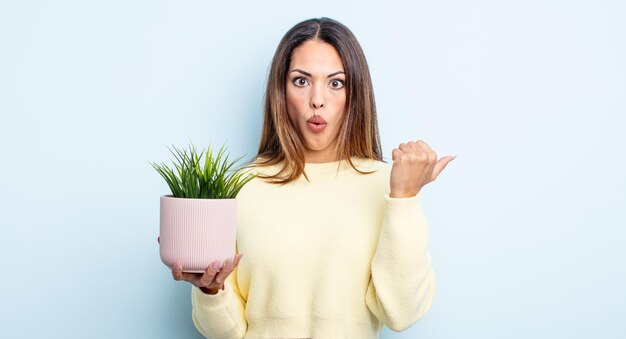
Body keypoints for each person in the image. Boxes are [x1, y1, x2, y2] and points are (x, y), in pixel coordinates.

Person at [170, 17, 455, 338]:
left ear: (354, 94)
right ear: (281, 90)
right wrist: (210, 292)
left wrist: (404, 197)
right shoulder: (242, 187)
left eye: (336, 83)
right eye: (301, 81)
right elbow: (228, 332)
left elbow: (401, 313)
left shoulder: (389, 185)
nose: (317, 100)